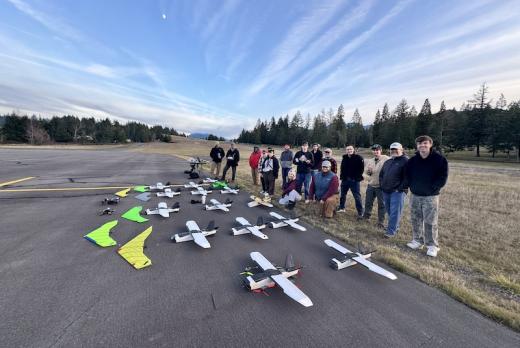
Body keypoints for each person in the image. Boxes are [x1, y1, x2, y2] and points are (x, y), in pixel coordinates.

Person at [405, 135, 449, 257]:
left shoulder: (439, 160)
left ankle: (432, 246)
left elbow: (443, 177)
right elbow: (407, 175)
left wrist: (433, 188)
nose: (422, 145)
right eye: (420, 143)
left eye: (425, 143)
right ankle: (417, 241)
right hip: (415, 195)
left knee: (430, 221)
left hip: (430, 196)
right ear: (417, 146)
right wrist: (411, 186)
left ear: (430, 144)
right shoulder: (412, 161)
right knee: (415, 219)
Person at [379, 142, 408, 238]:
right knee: (389, 211)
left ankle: (390, 231)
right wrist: (382, 185)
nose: (394, 151)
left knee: (395, 211)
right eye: (392, 149)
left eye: (396, 149)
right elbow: (381, 175)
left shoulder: (405, 161)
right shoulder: (388, 161)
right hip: (385, 190)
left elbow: (407, 178)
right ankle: (395, 226)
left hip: (397, 192)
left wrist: (399, 189)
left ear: (401, 150)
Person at [362, 144, 389, 228]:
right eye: (374, 150)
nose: (375, 152)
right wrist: (369, 173)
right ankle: (366, 216)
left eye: (377, 150)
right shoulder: (370, 160)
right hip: (371, 185)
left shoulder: (386, 159)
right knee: (368, 202)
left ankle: (380, 222)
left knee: (382, 205)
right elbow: (366, 172)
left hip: (381, 187)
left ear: (381, 150)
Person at [337, 145, 364, 219]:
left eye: (350, 149)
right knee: (343, 195)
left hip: (354, 181)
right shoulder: (344, 157)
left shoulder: (358, 158)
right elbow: (342, 168)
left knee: (357, 196)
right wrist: (342, 177)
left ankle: (360, 212)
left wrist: (356, 178)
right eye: (348, 149)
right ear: (346, 150)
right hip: (345, 180)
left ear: (353, 150)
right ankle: (342, 208)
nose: (349, 150)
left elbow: (361, 169)